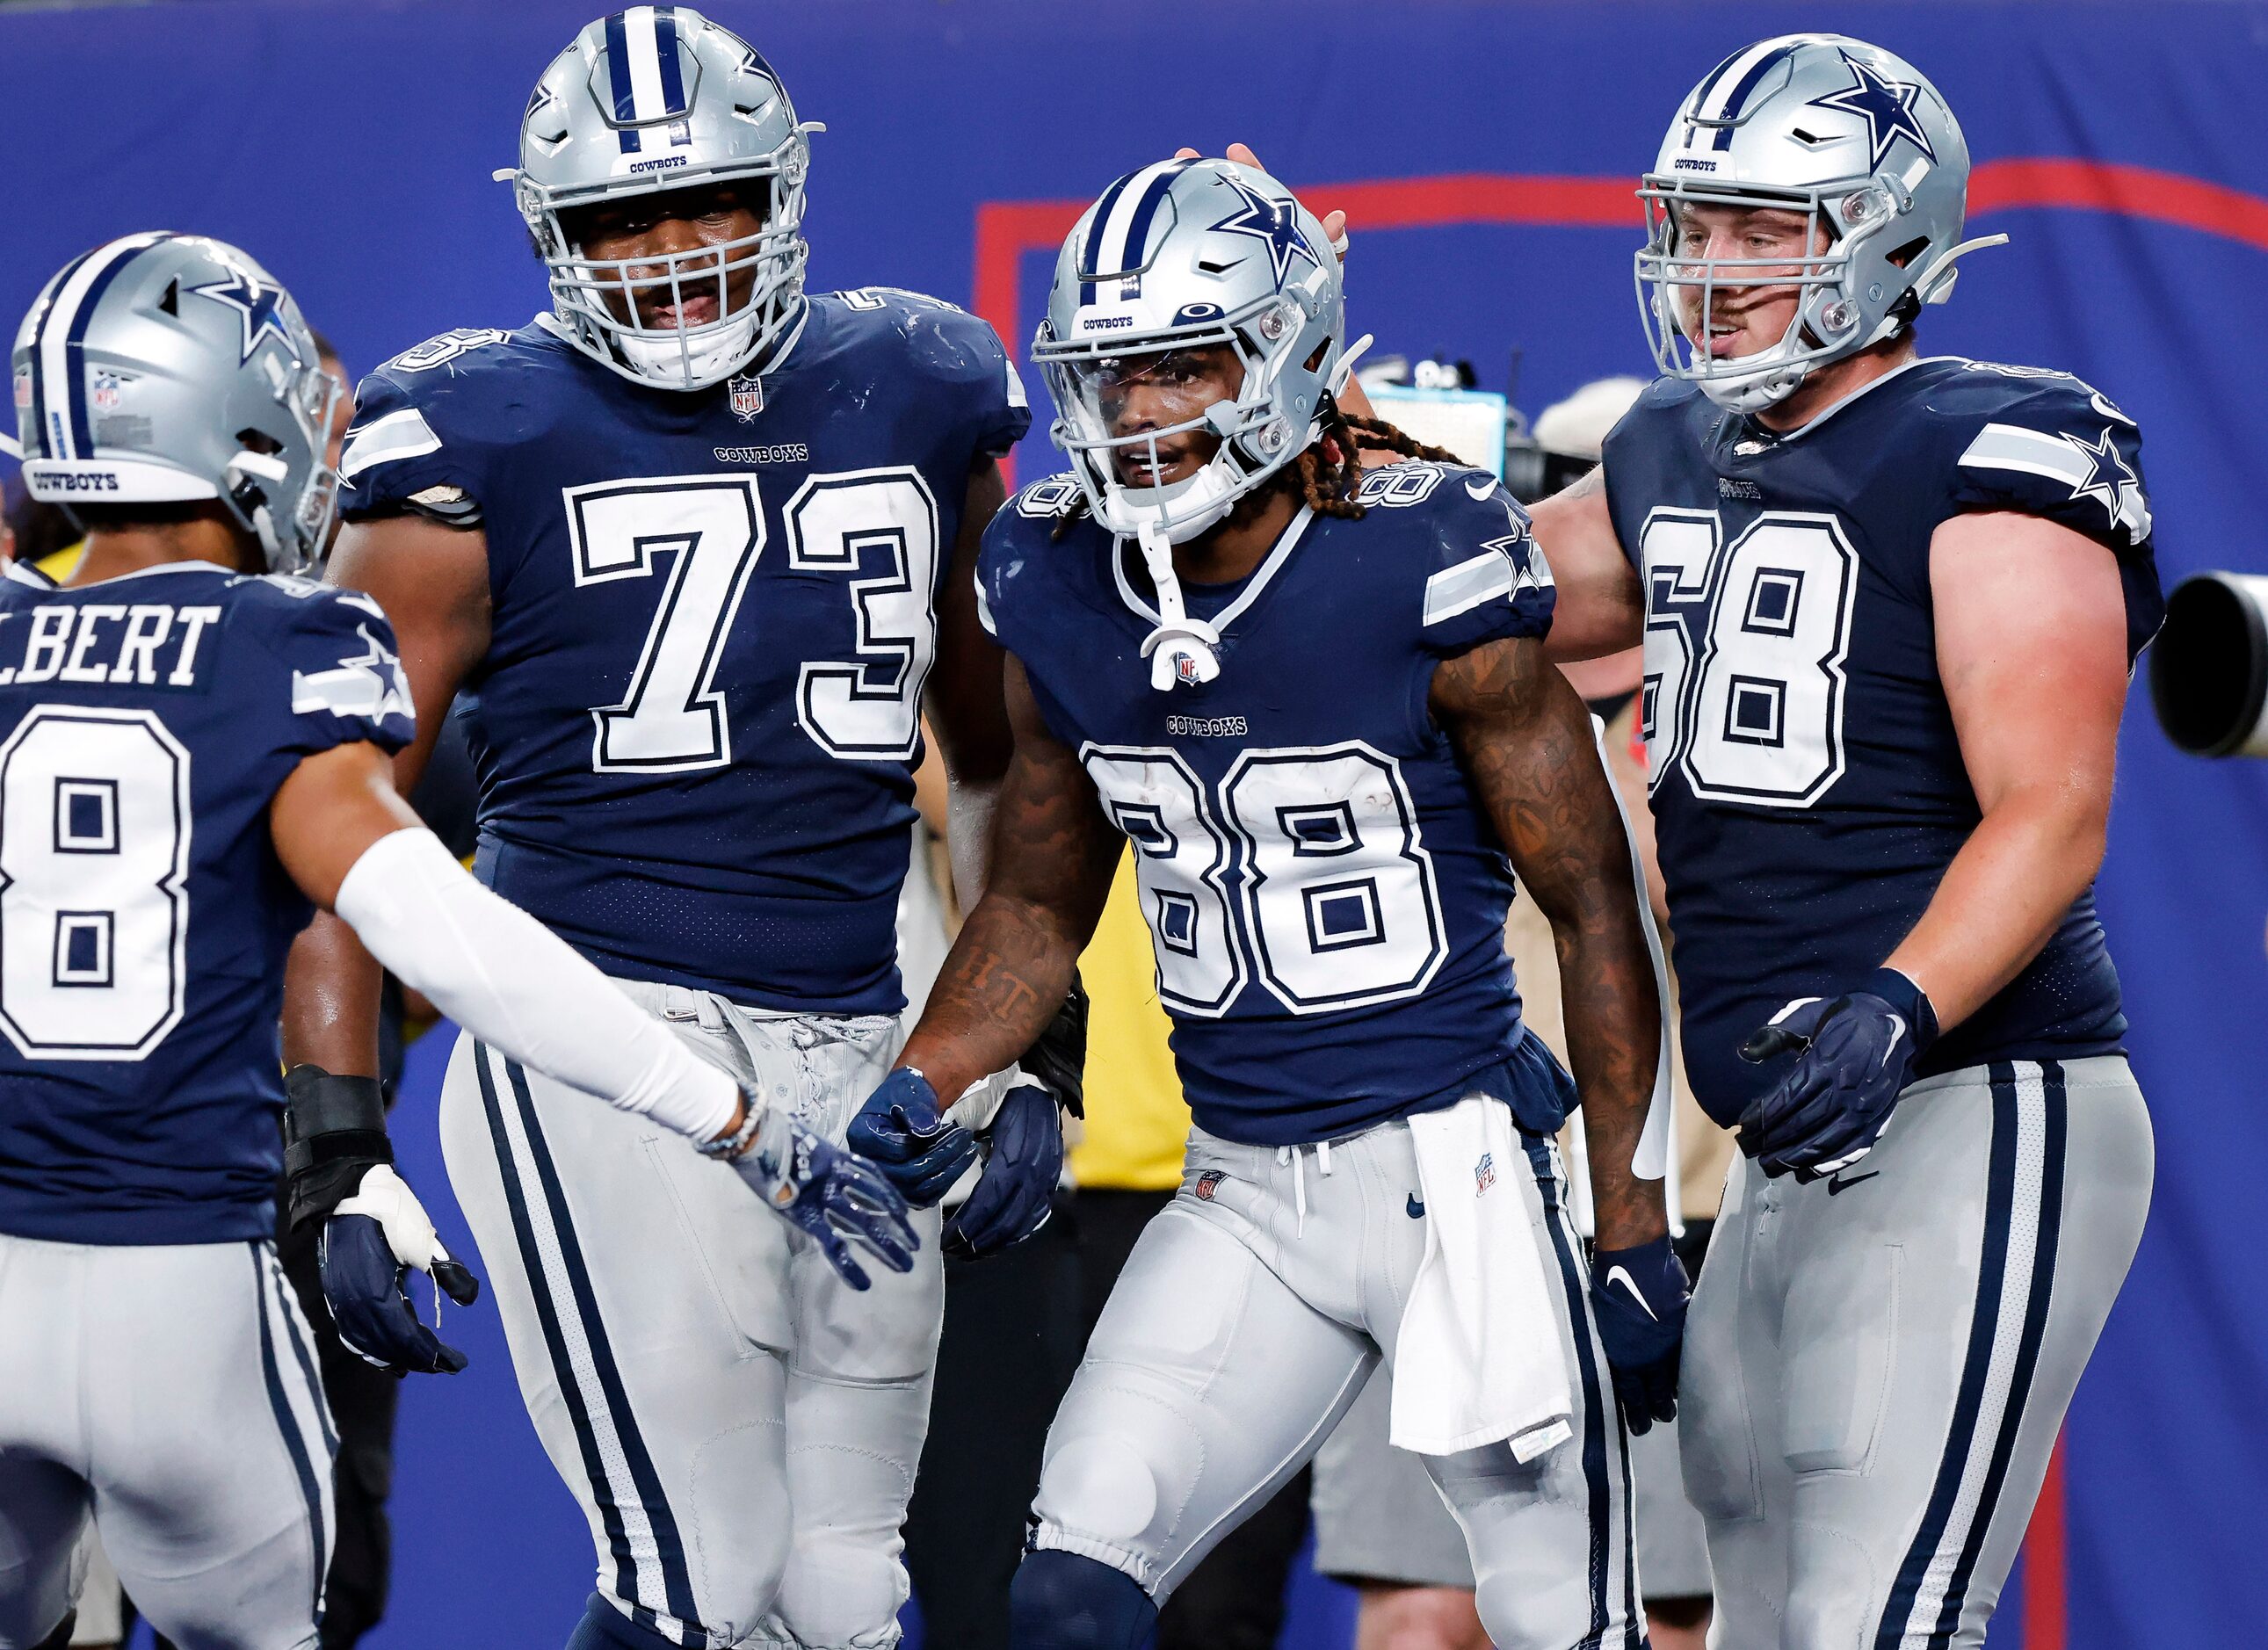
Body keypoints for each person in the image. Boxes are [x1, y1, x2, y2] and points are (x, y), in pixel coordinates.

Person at [282, 11, 1070, 1648]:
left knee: (848, 1594)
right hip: (599, 1040)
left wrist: (1015, 1055)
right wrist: (335, 1143)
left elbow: (1006, 761)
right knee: (701, 1577)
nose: (669, 255)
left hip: (860, 1034)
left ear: (782, 192)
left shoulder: (918, 385)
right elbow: (328, 822)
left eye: (705, 202)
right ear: (548, 238)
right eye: (618, 223)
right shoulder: (468, 434)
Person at [0, 231, 909, 1650]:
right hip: (181, 1294)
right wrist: (727, 1113)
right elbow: (457, 935)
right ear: (237, 427)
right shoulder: (275, 647)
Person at [856, 156, 1681, 1650]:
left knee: (1568, 1623)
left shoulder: (1421, 553)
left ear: (1288, 355)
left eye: (1185, 365)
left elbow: (1592, 905)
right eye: (1108, 376)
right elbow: (1040, 897)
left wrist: (1626, 1216)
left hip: (1463, 1182)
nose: (1141, 413)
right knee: (1062, 1595)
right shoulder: (1052, 572)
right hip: (1241, 1190)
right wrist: (932, 1074)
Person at [1511, 34, 2160, 1645]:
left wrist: (1897, 1002)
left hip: (1968, 1091)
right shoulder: (1670, 445)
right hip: (1787, 1135)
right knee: (1755, 1619)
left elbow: (2051, 808)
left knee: (1884, 1616)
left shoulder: (1997, 446)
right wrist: (1321, 434)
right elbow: (1483, 601)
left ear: (1887, 236)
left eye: (1764, 228)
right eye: (1699, 224)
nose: (1713, 269)